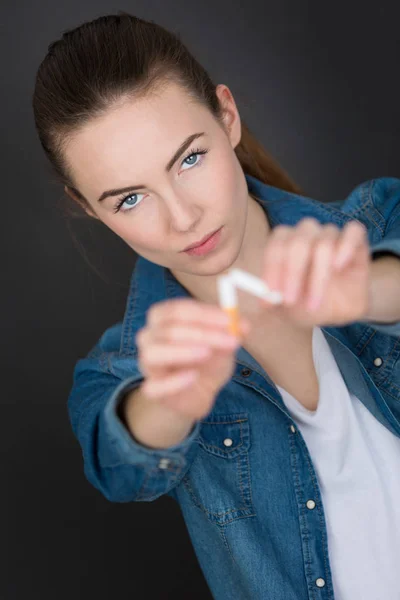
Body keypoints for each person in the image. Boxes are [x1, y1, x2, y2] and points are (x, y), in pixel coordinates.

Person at [32, 12, 400, 600]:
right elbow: (120, 462)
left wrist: (368, 288)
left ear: (226, 117)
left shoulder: (378, 221)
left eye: (189, 159)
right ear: (88, 208)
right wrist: (167, 401)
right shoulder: (115, 373)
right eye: (129, 199)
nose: (182, 219)